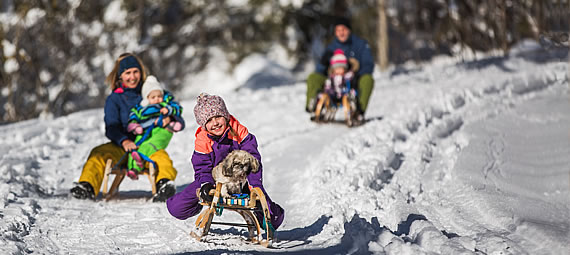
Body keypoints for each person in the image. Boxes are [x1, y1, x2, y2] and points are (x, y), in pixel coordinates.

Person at [70, 53, 180, 202]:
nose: (132, 77)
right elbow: (111, 126)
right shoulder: (114, 99)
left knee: (161, 157)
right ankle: (87, 186)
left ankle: (164, 184)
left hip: (146, 145)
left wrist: (170, 117)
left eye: (135, 72)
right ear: (120, 76)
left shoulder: (150, 92)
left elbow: (172, 107)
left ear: (141, 73)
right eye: (127, 73)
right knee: (99, 153)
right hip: (122, 147)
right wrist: (123, 141)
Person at [166, 93, 285, 230]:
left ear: (225, 116)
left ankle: (266, 216)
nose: (215, 123)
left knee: (273, 218)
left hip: (242, 180)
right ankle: (200, 203)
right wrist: (206, 185)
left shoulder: (239, 132)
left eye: (218, 117)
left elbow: (253, 160)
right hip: (213, 180)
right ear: (203, 125)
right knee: (176, 208)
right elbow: (202, 168)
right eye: (209, 120)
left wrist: (254, 184)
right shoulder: (203, 140)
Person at [306, 16, 375, 122]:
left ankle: (359, 112)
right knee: (313, 77)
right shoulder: (331, 47)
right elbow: (320, 68)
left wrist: (356, 74)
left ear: (349, 30)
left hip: (353, 80)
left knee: (368, 80)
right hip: (334, 81)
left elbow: (368, 64)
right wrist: (325, 66)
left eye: (343, 30)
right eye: (338, 30)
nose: (341, 33)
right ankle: (315, 106)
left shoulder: (360, 44)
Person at [126, 75, 184, 180]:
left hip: (162, 130)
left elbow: (178, 108)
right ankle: (134, 168)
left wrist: (169, 111)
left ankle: (140, 161)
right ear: (147, 98)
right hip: (144, 132)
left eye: (159, 96)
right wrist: (134, 125)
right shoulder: (141, 108)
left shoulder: (165, 104)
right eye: (153, 97)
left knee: (151, 144)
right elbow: (133, 115)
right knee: (135, 147)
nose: (157, 99)